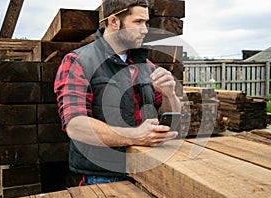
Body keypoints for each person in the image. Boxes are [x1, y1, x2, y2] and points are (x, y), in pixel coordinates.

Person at [54, 0, 181, 186]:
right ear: (114, 22)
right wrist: (136, 135)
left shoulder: (147, 66)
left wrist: (170, 94)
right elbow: (75, 125)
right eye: (138, 22)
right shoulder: (78, 62)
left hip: (147, 171)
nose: (145, 30)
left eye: (146, 23)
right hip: (103, 177)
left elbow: (170, 117)